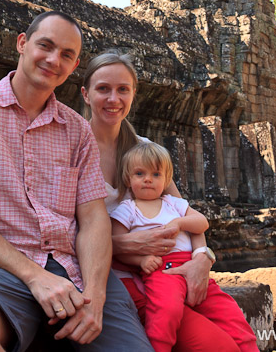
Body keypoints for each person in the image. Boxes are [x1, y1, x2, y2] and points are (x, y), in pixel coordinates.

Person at [0, 11, 153, 352]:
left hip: (74, 268)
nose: (52, 59)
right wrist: (35, 276)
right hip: (2, 266)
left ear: (74, 66)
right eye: (45, 45)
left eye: (66, 55)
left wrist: (95, 294)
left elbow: (92, 218)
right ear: (22, 43)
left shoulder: (77, 130)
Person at [81, 51, 255, 351]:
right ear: (85, 94)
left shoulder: (147, 152)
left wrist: (203, 258)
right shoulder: (72, 148)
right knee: (218, 346)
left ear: (134, 93)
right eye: (103, 89)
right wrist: (127, 247)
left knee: (241, 337)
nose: (114, 98)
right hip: (119, 278)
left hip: (175, 271)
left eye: (123, 89)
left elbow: (185, 214)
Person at [111, 142, 259, 352]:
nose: (147, 179)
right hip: (162, 271)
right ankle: (159, 348)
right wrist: (141, 261)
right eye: (139, 173)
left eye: (155, 174)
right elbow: (117, 245)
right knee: (165, 311)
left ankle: (250, 347)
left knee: (228, 311)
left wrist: (180, 222)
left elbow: (202, 223)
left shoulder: (174, 204)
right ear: (128, 179)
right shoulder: (128, 209)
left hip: (190, 263)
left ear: (166, 180)